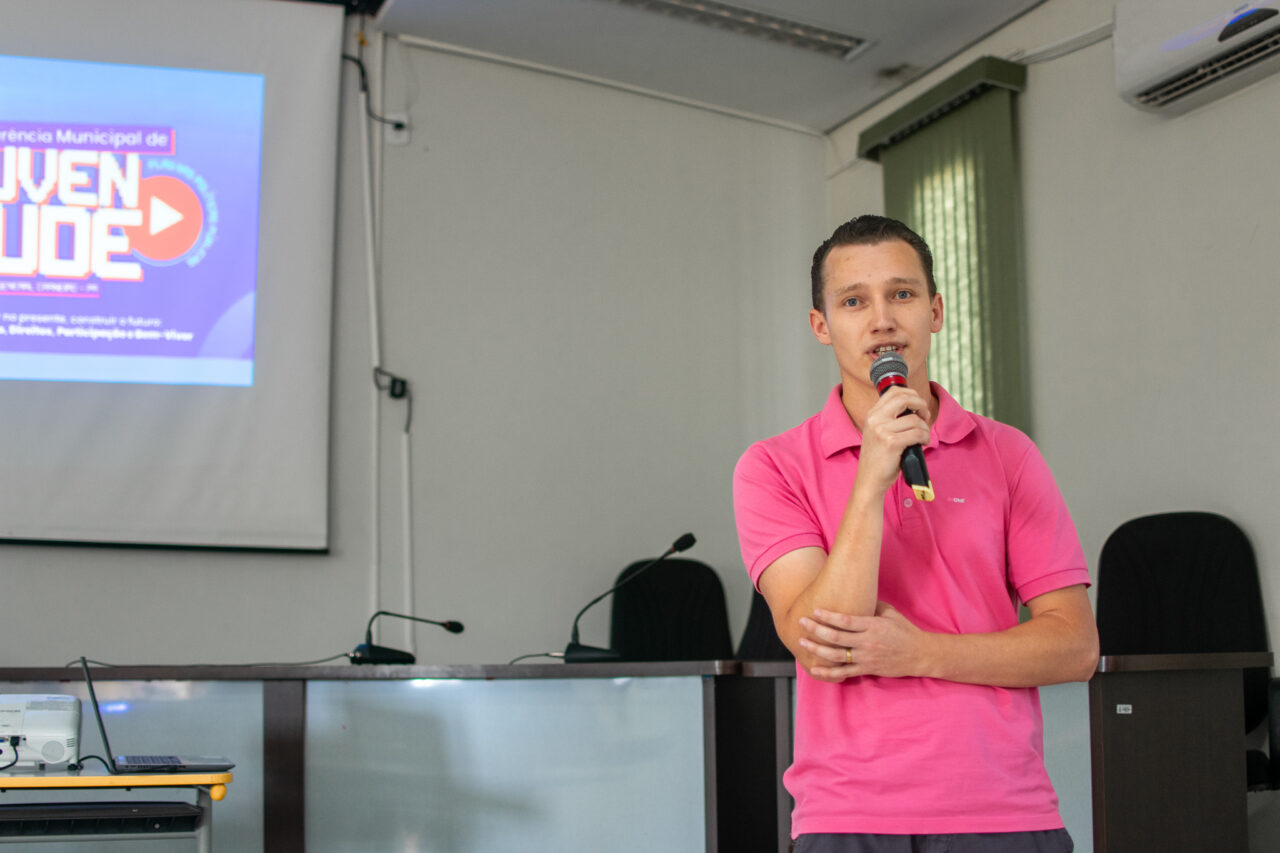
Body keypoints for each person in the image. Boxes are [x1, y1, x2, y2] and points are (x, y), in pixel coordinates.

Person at [732, 215, 1099, 853]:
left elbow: (1074, 648)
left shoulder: (1008, 453)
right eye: (853, 301)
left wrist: (917, 652)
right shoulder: (771, 467)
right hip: (846, 817)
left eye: (901, 294)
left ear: (934, 310)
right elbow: (824, 643)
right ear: (822, 325)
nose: (881, 319)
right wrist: (871, 477)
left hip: (1003, 812)